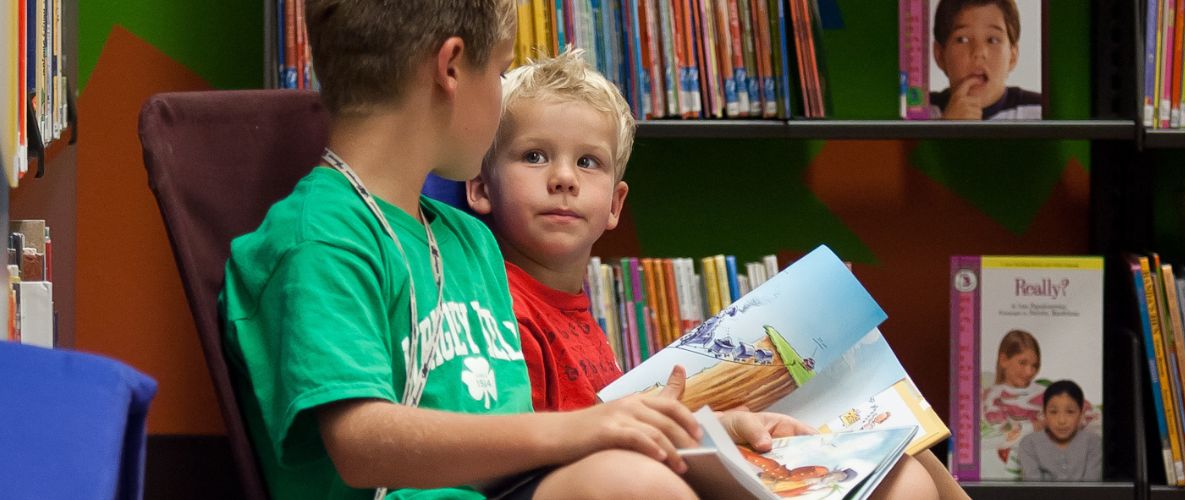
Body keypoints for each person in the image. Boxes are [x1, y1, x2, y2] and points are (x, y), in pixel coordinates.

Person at [222, 2, 704, 498]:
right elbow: (359, 445)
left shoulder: (471, 241)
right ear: (451, 68)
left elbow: (508, 447)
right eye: (499, 72)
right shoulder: (319, 239)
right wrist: (585, 429)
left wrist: (696, 439)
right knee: (635, 486)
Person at [464, 49, 963, 499]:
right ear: (482, 187)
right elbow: (517, 451)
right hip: (579, 481)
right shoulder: (491, 305)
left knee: (905, 469)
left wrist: (722, 424)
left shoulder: (578, 315)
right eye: (534, 156)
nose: (564, 178)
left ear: (615, 205)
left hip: (637, 463)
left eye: (588, 162)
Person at [929, 0, 1043, 120]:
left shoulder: (1040, 112)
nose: (978, 52)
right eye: (962, 39)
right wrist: (947, 127)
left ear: (1012, 57)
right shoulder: (918, 113)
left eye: (992, 40)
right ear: (940, 55)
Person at [980, 329, 1043, 476]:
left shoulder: (1044, 393)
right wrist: (1034, 426)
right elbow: (997, 433)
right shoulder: (990, 397)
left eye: (1034, 365)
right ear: (1003, 360)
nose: (1029, 372)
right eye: (1022, 363)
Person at [1015, 380, 1102, 481]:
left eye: (1070, 412)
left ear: (1081, 414)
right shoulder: (1029, 444)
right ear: (1044, 413)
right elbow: (1034, 490)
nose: (1061, 421)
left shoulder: (1093, 442)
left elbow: (1091, 489)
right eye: (1053, 412)